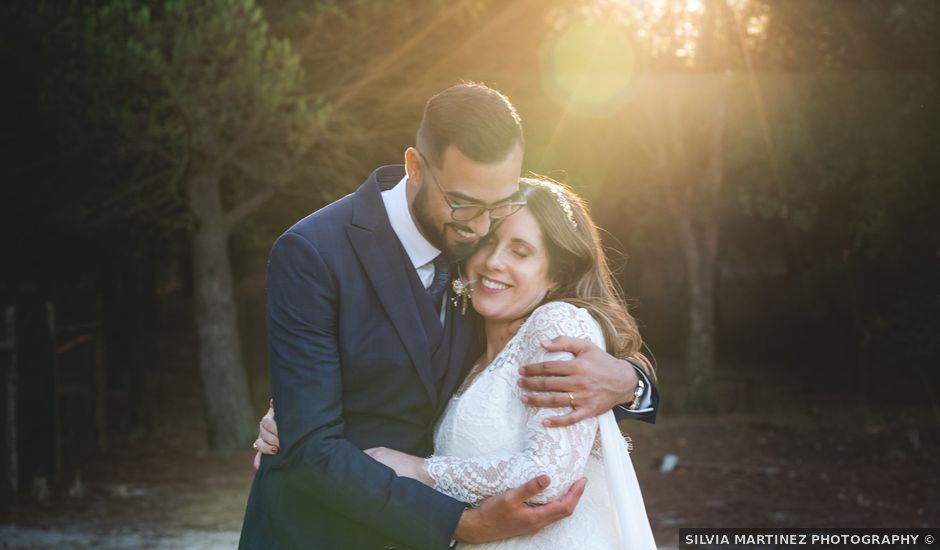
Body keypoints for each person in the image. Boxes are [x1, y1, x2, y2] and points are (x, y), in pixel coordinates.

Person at [239, 82, 658, 549]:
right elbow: (312, 446)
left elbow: (548, 352)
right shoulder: (314, 253)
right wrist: (458, 524)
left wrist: (630, 382)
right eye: (465, 204)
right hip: (321, 532)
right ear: (415, 167)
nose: (481, 227)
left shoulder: (479, 247)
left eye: (498, 206)